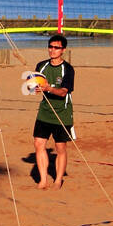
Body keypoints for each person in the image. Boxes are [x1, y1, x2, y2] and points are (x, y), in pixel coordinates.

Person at [32, 33, 75, 190]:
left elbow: (64, 92)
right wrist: (35, 88)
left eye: (56, 48)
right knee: (38, 143)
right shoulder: (41, 65)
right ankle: (43, 180)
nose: (52, 50)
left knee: (60, 147)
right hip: (45, 111)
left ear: (63, 50)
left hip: (62, 112)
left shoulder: (68, 69)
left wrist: (49, 88)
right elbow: (36, 87)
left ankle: (58, 180)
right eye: (50, 47)